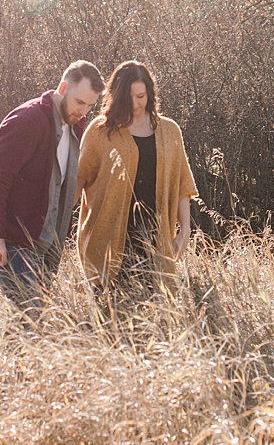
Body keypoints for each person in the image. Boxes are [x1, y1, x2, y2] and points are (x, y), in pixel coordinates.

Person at [0, 60, 105, 318]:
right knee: (29, 311)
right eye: (80, 102)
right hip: (12, 237)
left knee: (31, 316)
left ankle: (10, 359)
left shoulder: (75, 126)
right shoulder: (28, 119)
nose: (84, 111)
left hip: (43, 240)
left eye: (90, 105)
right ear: (63, 87)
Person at [75, 60, 199, 298]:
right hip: (109, 241)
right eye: (128, 97)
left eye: (141, 96)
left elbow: (182, 184)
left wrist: (185, 230)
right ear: (116, 96)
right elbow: (78, 182)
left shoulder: (169, 131)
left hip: (156, 241)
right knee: (111, 317)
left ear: (150, 94)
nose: (135, 104)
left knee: (156, 317)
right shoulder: (100, 131)